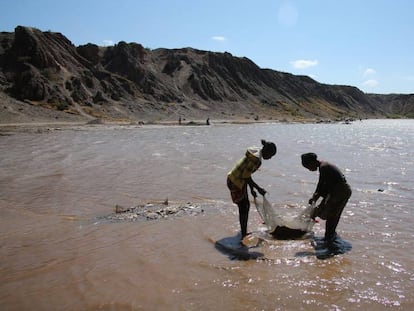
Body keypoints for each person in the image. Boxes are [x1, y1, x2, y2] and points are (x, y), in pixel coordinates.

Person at [227, 140, 277, 241]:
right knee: (243, 207)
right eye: (271, 155)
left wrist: (251, 189)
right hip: (236, 182)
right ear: (266, 151)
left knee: (246, 206)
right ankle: (243, 234)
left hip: (237, 179)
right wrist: (258, 188)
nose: (270, 158)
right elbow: (246, 176)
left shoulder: (256, 152)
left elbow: (246, 174)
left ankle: (244, 232)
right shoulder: (256, 160)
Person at [301, 153, 352, 245]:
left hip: (340, 191)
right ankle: (330, 236)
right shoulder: (323, 166)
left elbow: (321, 186)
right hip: (342, 190)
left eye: (308, 167)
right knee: (334, 214)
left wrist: (315, 198)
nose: (309, 169)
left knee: (331, 214)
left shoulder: (324, 167)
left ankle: (329, 237)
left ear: (312, 162)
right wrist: (315, 197)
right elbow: (321, 185)